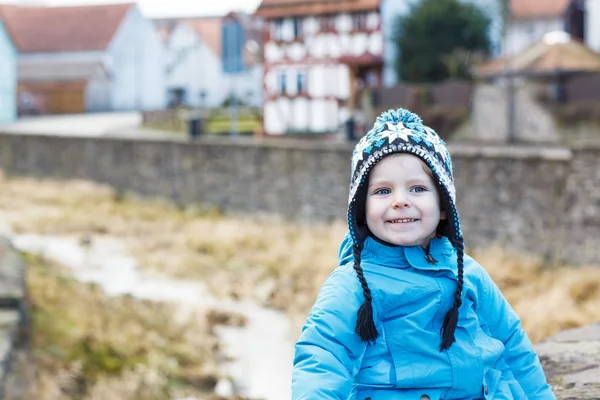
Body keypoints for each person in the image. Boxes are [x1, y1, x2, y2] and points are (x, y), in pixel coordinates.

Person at [292, 108, 555, 400]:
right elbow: (322, 357)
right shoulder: (352, 285)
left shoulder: (469, 273)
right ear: (361, 211)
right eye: (382, 191)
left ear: (443, 205)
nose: (400, 201)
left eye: (417, 188)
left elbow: (513, 346)